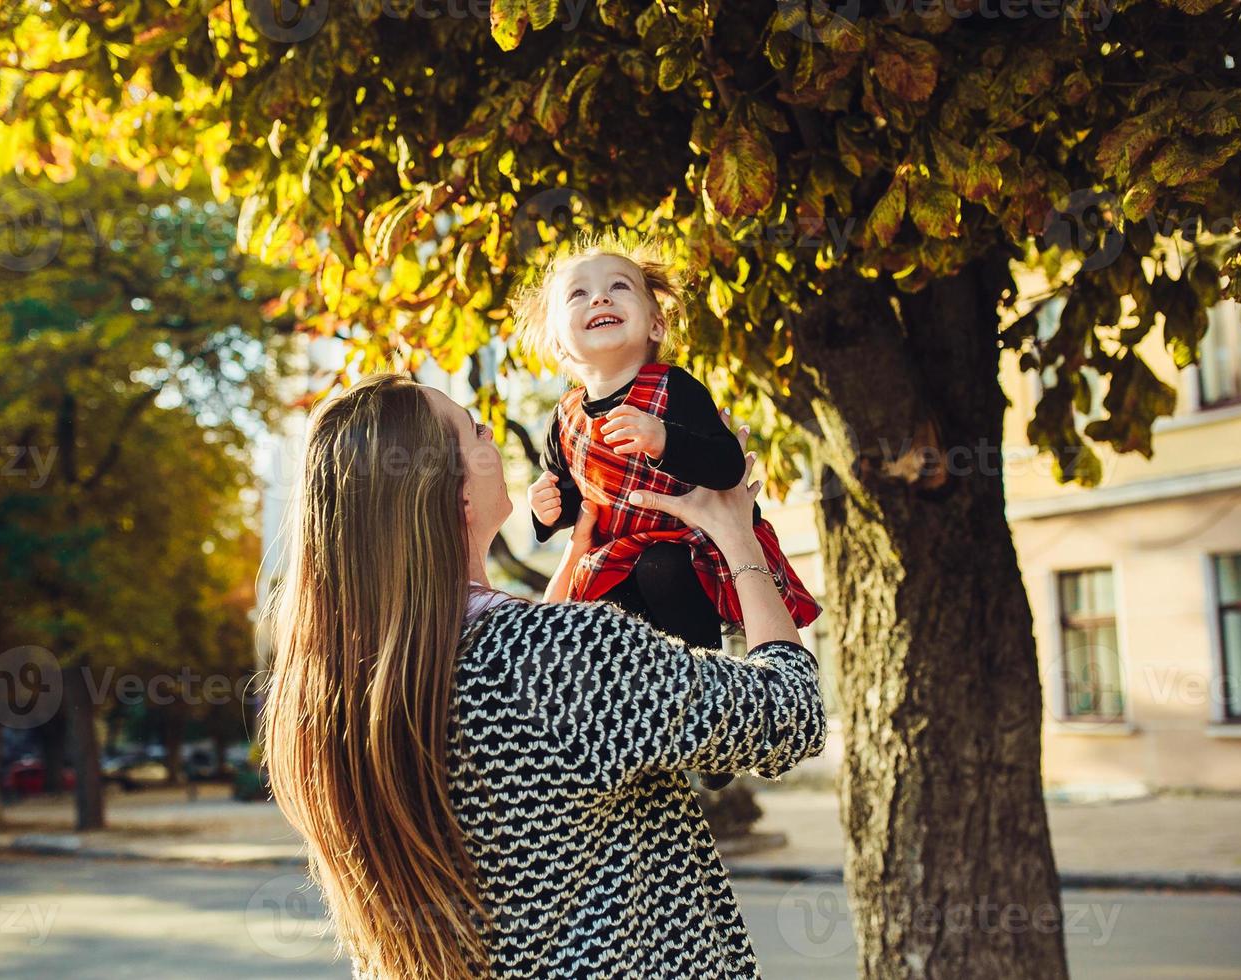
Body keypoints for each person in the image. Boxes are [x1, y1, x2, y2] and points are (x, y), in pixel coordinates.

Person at [263, 372, 826, 979]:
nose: (491, 435)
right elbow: (789, 713)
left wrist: (576, 555)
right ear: (455, 496)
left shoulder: (339, 690)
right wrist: (738, 538)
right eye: (473, 429)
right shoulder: (557, 653)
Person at [514, 231, 822, 790]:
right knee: (602, 627)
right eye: (578, 295)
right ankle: (621, 731)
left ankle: (711, 721)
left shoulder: (672, 389)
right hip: (614, 555)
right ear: (559, 345)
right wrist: (546, 509)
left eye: (618, 288)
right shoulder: (563, 421)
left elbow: (727, 465)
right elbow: (570, 501)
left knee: (663, 571)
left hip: (688, 545)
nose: (600, 299)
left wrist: (665, 441)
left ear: (655, 326)